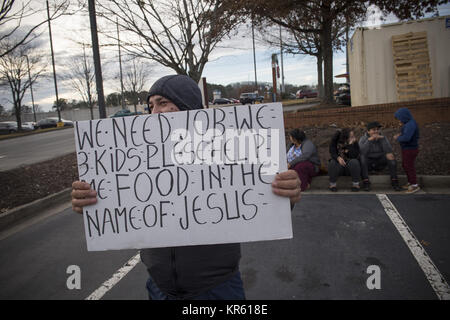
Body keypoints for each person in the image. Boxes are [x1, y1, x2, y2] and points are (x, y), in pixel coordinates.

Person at [71, 74, 302, 300]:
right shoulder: (140, 158)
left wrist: (285, 196)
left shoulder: (223, 151)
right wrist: (92, 202)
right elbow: (122, 201)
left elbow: (256, 199)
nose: (154, 112)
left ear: (189, 109)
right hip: (158, 287)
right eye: (150, 105)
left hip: (216, 289)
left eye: (163, 103)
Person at [359, 121, 401, 191]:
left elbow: (389, 150)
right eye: (374, 130)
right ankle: (366, 182)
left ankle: (394, 181)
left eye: (377, 129)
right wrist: (369, 141)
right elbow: (362, 152)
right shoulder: (363, 139)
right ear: (368, 131)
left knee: (390, 155)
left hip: (380, 162)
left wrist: (383, 139)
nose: (376, 131)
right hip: (368, 163)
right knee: (362, 157)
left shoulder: (383, 138)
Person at [394, 107, 420, 194]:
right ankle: (410, 182)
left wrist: (398, 138)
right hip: (407, 149)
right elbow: (406, 133)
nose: (399, 120)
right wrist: (401, 133)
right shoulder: (408, 123)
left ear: (404, 116)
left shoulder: (410, 124)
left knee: (409, 166)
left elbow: (407, 138)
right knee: (405, 165)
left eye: (399, 118)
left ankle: (414, 185)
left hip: (410, 149)